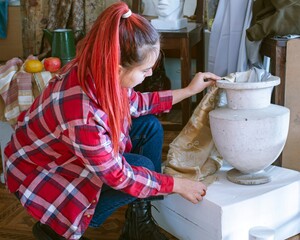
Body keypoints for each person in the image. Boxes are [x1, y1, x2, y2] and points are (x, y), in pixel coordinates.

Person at [4, 2, 220, 240]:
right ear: (117, 69)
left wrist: (190, 90)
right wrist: (177, 185)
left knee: (149, 127)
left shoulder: (100, 67)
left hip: (68, 151)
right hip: (44, 173)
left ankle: (138, 220)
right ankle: (54, 227)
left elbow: (138, 103)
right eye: (145, 69)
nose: (150, 74)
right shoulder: (82, 114)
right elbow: (118, 174)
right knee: (142, 167)